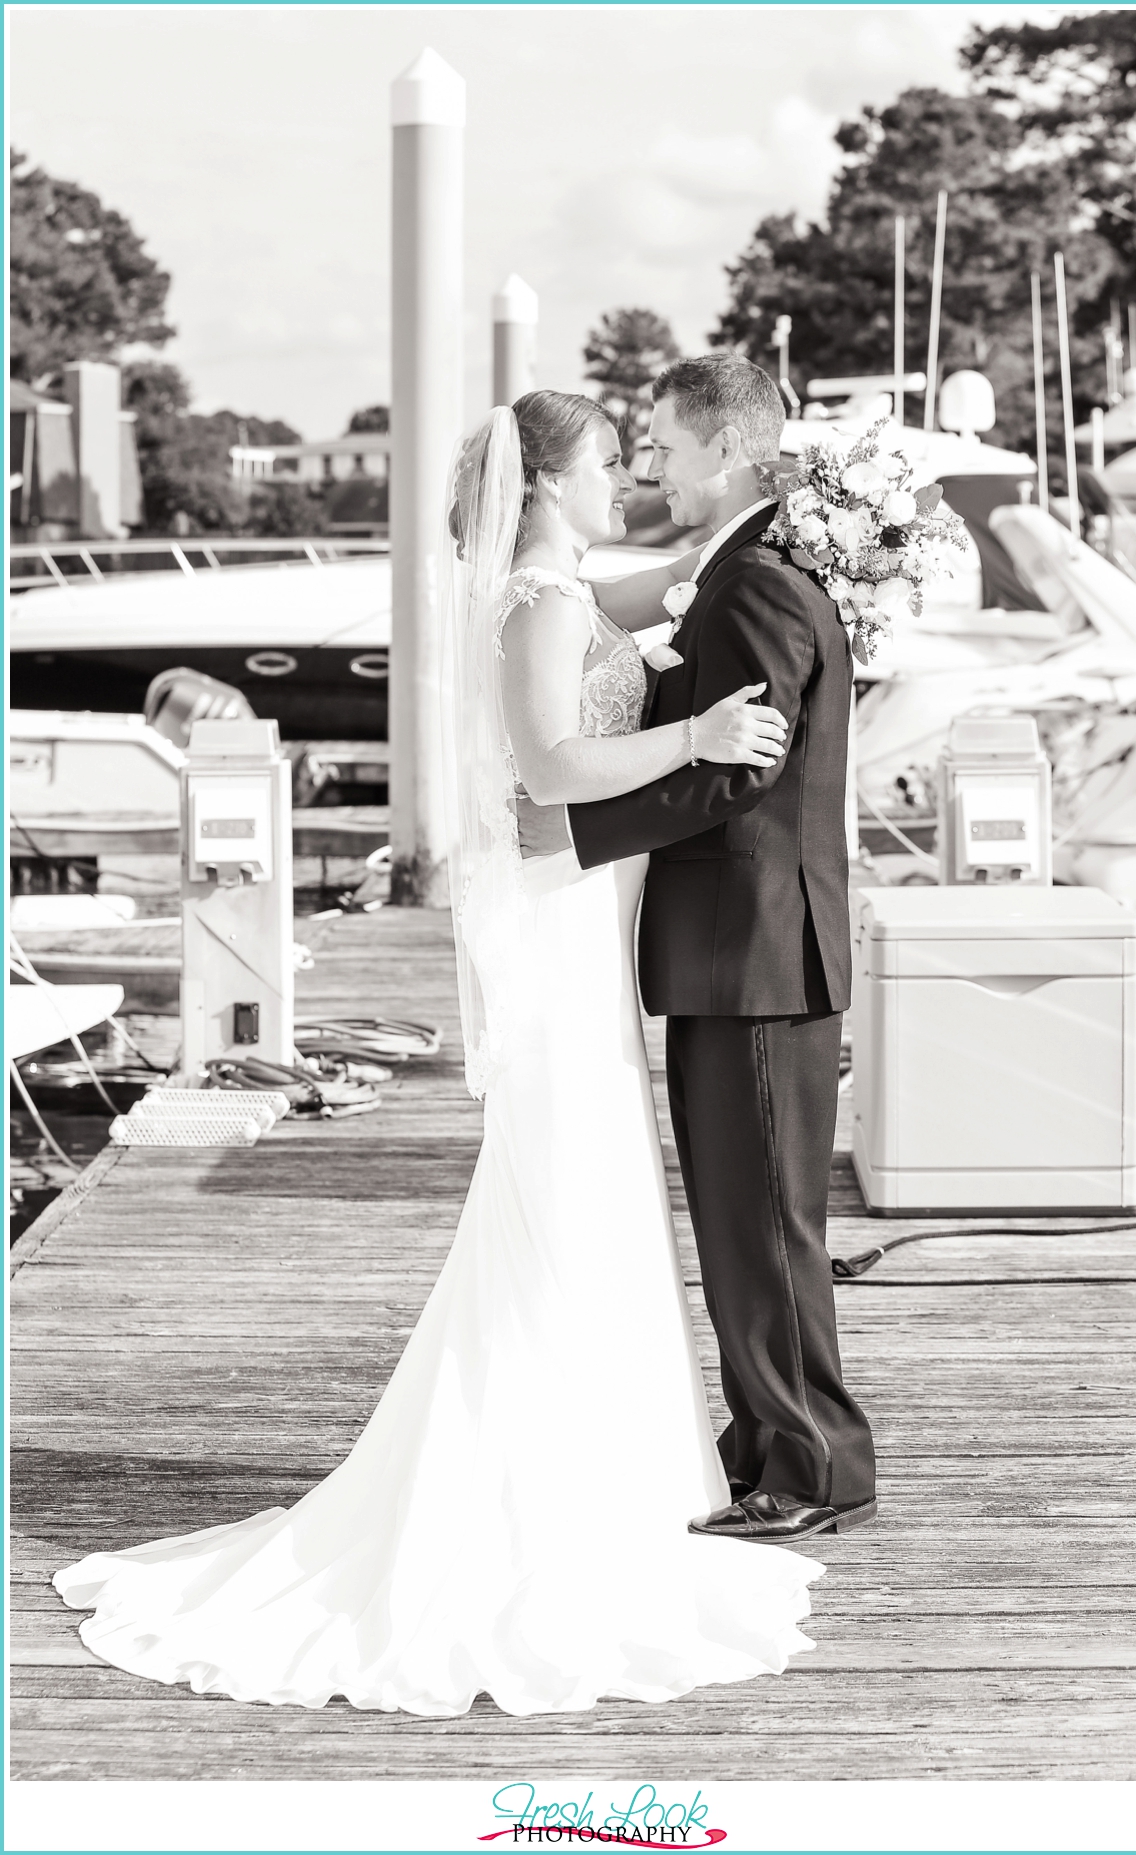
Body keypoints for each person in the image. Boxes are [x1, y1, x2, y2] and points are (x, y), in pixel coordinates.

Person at [51, 388, 825, 1719]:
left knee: (594, 1201)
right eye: (603, 469)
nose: (626, 483)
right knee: (567, 1198)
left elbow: (690, 592)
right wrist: (694, 735)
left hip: (588, 917)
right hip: (563, 912)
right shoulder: (539, 600)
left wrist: (813, 533)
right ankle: (544, 1487)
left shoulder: (563, 586)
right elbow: (545, 765)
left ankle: (618, 1468)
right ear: (545, 486)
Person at [518, 353, 877, 1546]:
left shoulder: (760, 586)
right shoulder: (726, 574)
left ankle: (813, 1468)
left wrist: (570, 833)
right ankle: (768, 1443)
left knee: (765, 1224)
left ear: (728, 452)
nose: (650, 466)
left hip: (760, 954)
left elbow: (738, 771)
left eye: (662, 446)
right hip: (741, 950)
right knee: (742, 1218)